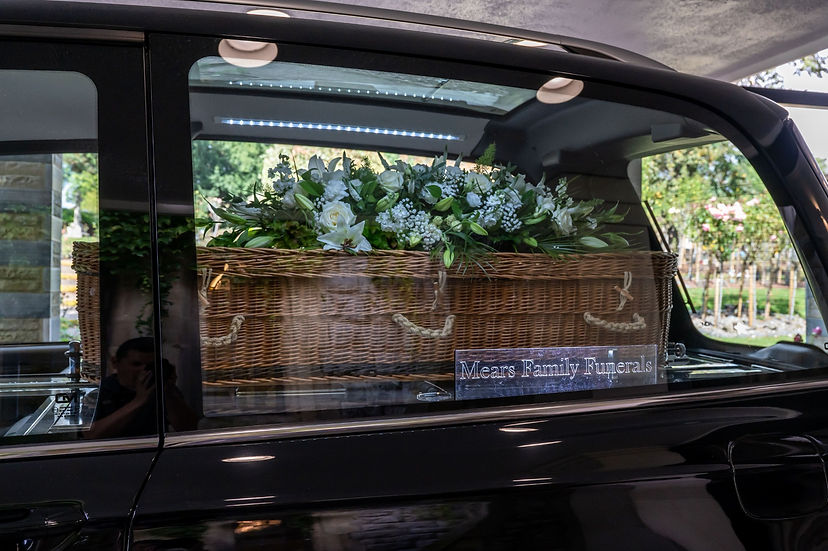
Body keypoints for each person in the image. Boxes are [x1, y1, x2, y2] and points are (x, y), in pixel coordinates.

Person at [87, 337, 198, 439]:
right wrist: (139, 401)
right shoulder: (99, 392)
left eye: (150, 365)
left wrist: (168, 392)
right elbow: (91, 434)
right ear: (115, 363)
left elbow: (188, 428)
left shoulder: (161, 388)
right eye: (136, 364)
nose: (143, 370)